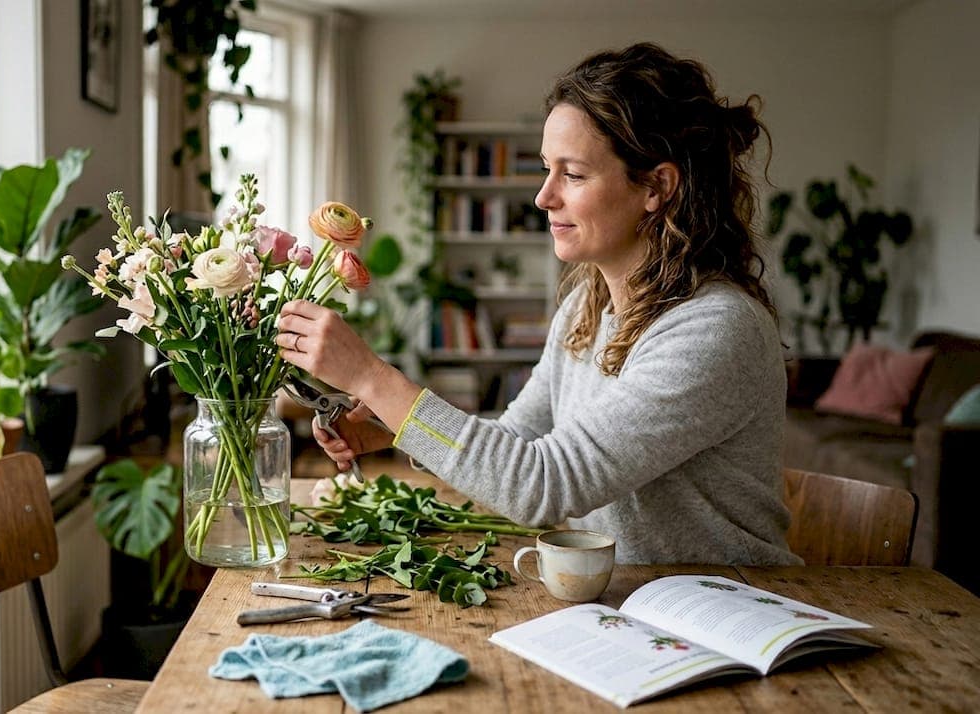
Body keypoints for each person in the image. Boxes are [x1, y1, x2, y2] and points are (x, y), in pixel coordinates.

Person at [275, 42, 801, 566]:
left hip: (731, 609)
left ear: (656, 186)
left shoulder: (714, 329)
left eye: (572, 174)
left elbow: (542, 484)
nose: (543, 197)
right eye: (548, 169)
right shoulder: (584, 308)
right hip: (626, 602)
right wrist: (392, 426)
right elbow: (516, 444)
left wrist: (372, 378)